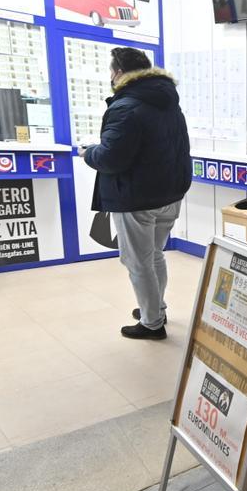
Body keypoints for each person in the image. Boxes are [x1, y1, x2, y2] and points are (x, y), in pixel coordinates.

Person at [83, 47, 192, 340]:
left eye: (111, 71)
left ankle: (152, 323)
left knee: (137, 261)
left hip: (137, 197)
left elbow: (110, 158)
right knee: (155, 254)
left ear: (119, 72)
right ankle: (156, 307)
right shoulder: (168, 101)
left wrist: (88, 152)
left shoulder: (125, 106)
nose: (110, 76)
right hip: (170, 193)